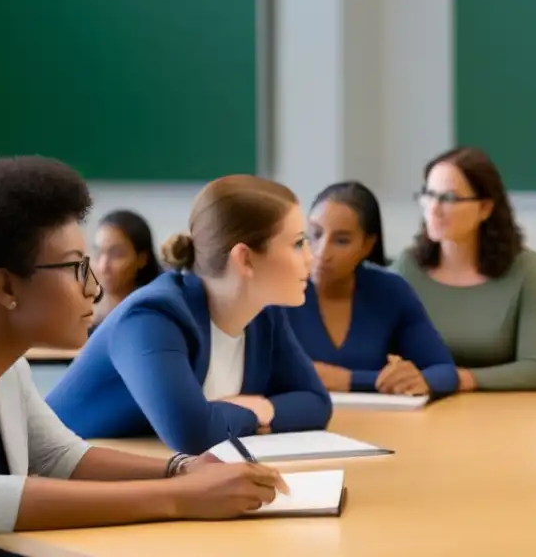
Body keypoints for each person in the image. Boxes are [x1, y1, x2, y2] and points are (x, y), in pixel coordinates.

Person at [0, 157, 288, 557]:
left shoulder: (3, 364)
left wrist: (181, 469)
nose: (94, 287)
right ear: (6, 287)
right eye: (76, 267)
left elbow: (60, 459)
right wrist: (179, 497)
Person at [47, 175, 333, 455]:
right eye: (298, 243)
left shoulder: (264, 315)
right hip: (58, 483)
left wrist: (262, 409)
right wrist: (251, 410)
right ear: (245, 259)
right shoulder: (152, 317)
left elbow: (316, 403)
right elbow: (194, 433)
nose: (311, 257)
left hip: (153, 478)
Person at [392, 146, 536, 391]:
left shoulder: (527, 269)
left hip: (503, 416)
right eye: (429, 194)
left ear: (485, 208)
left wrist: (451, 379)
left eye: (449, 198)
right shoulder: (407, 267)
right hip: (421, 410)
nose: (433, 209)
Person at [286, 181, 458, 397]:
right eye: (315, 234)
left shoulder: (390, 292)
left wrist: (416, 380)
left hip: (375, 422)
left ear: (367, 245)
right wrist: (372, 380)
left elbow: (445, 371)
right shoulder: (277, 291)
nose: (322, 252)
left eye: (341, 241)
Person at [91, 210, 162, 329]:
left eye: (117, 254)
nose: (103, 267)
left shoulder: (150, 318)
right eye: (98, 253)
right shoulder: (86, 315)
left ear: (142, 259)